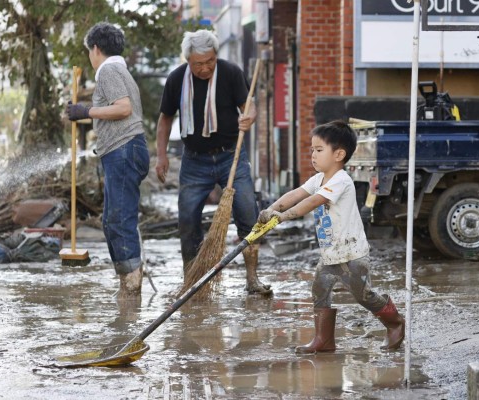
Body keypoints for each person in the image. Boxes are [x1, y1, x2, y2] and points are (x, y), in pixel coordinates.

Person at [258, 120, 405, 352]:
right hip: (330, 252)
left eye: (319, 150)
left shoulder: (341, 180)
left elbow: (312, 201)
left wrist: (283, 217)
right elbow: (297, 194)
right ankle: (323, 340)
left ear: (339, 154)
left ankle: (395, 322)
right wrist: (271, 209)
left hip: (352, 253)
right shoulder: (318, 179)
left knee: (363, 295)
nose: (313, 156)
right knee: (319, 289)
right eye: (312, 151)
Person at [155, 30, 271, 295]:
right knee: (187, 220)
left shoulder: (230, 73)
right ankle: (192, 281)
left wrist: (249, 117)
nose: (206, 67)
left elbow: (248, 105)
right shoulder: (176, 80)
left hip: (231, 156)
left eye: (210, 61)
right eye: (199, 63)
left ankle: (252, 279)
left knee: (248, 216)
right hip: (194, 161)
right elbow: (164, 120)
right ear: (188, 61)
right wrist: (161, 156)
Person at [66, 22, 150, 301]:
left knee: (118, 220)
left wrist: (86, 110)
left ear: (96, 49)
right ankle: (127, 280)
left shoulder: (109, 70)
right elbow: (118, 107)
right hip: (123, 150)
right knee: (111, 221)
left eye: (89, 52)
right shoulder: (120, 70)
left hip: (124, 150)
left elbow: (123, 108)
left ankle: (131, 285)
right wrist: (86, 112)